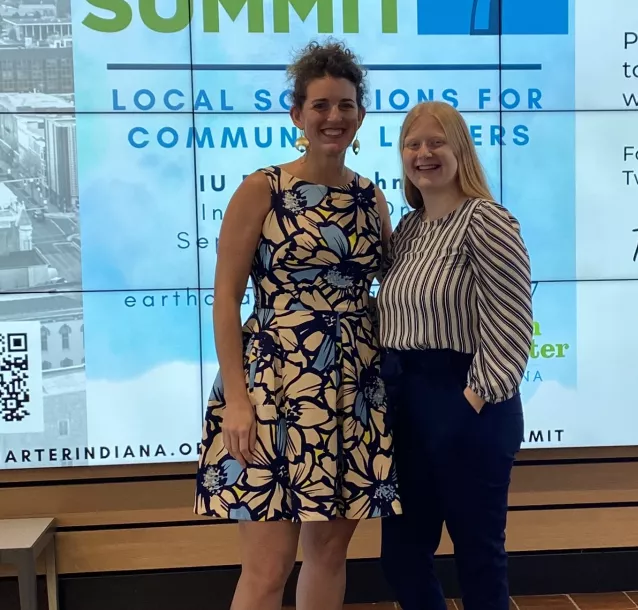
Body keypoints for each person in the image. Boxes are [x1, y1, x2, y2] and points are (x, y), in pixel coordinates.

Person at [194, 39, 402, 610]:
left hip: (350, 393)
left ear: (361, 114)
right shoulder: (262, 189)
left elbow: (388, 290)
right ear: (297, 115)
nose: (334, 117)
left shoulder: (370, 199)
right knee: (267, 568)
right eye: (321, 106)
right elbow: (225, 299)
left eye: (345, 105)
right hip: (272, 391)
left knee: (329, 556)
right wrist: (237, 399)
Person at [376, 100, 533, 610]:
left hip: (469, 404)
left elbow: (511, 328)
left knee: (478, 561)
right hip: (408, 404)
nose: (423, 153)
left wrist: (469, 401)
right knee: (401, 558)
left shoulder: (486, 220)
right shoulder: (409, 229)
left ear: (459, 150)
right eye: (413, 144)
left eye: (436, 142)